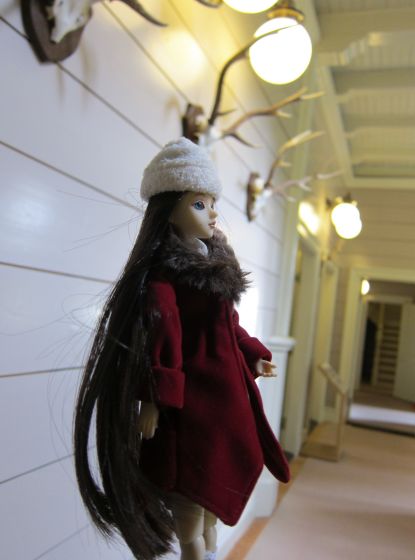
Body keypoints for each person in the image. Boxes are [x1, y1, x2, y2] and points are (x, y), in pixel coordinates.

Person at [74, 138, 290, 560]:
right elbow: (163, 337)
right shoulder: (164, 277)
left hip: (225, 402)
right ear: (168, 210)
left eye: (212, 203)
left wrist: (254, 354)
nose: (212, 213)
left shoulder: (214, 264)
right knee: (190, 507)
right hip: (192, 407)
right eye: (199, 204)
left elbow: (230, 325)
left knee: (210, 510)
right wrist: (154, 398)